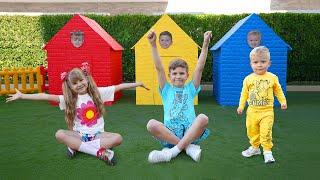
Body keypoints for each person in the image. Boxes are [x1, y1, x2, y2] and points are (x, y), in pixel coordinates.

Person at [6, 62, 149, 166]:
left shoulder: (98, 93)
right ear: (71, 87)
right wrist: (23, 96)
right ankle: (98, 152)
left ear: (86, 79)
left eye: (81, 80)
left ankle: (76, 146)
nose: (79, 84)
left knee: (118, 138)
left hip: (98, 135)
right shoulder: (69, 99)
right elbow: (46, 96)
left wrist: (138, 84)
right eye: (75, 83)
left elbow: (118, 87)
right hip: (79, 135)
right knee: (59, 134)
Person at [146, 30, 212, 163]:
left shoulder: (190, 88)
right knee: (151, 124)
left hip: (190, 132)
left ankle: (171, 152)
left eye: (181, 73)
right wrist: (153, 45)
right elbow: (159, 68)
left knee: (203, 118)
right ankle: (188, 148)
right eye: (174, 73)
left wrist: (205, 44)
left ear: (187, 76)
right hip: (169, 134)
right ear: (169, 76)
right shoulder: (166, 90)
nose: (178, 76)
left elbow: (199, 68)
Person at [237, 46, 287, 164]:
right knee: (252, 130)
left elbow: (278, 91)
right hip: (252, 112)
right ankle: (255, 148)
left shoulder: (272, 78)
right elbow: (244, 94)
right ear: (251, 64)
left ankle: (267, 151)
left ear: (269, 63)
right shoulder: (248, 79)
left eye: (263, 62)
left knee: (266, 132)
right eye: (256, 62)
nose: (259, 65)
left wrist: (283, 101)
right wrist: (241, 106)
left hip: (267, 111)